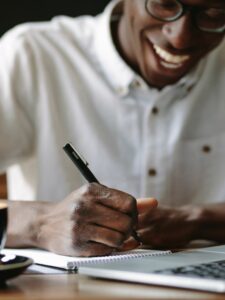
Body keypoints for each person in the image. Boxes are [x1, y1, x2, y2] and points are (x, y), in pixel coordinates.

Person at [1, 0, 225, 257]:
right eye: (164, 5)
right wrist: (41, 223)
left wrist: (196, 221)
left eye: (214, 13)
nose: (181, 39)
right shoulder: (31, 54)